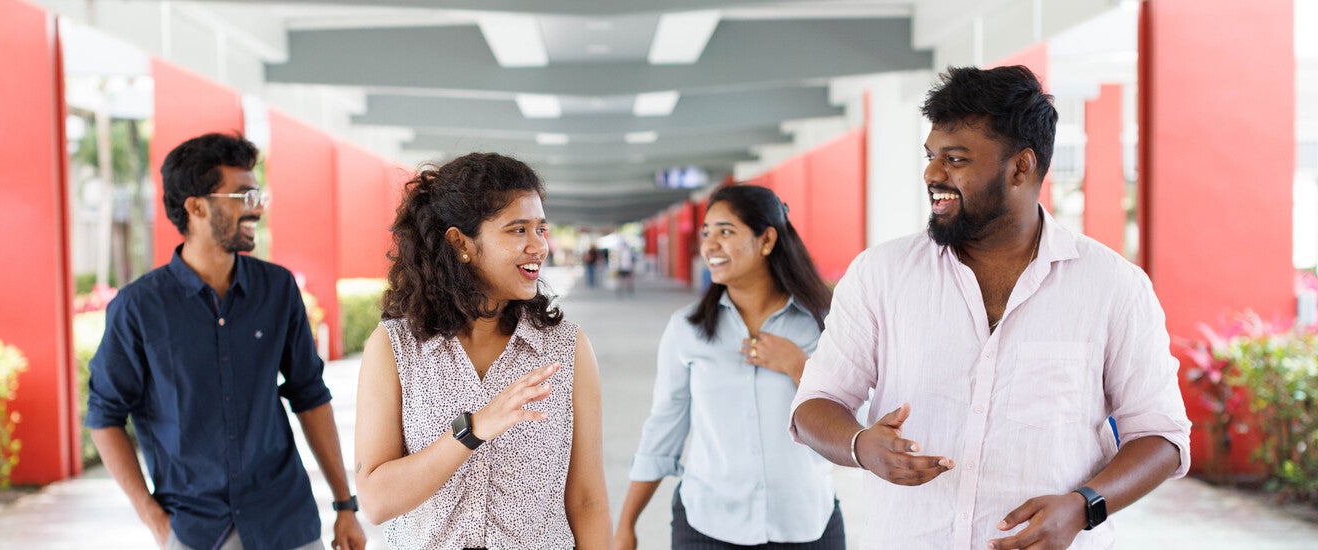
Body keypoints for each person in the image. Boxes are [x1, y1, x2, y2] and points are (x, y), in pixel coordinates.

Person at [789, 66, 1191, 549]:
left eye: (955, 159)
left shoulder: (1114, 287)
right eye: (931, 156)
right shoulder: (881, 274)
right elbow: (814, 405)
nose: (933, 174)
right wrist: (860, 446)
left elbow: (1162, 436)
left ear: (1020, 167)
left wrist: (1085, 505)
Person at [85, 133, 367, 550]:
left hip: (285, 520)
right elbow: (104, 416)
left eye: (257, 195)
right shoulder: (139, 308)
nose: (255, 208)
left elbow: (310, 395)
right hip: (197, 530)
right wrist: (156, 522)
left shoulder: (277, 290)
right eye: (242, 195)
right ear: (196, 207)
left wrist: (346, 505)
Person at [352, 152, 612, 548]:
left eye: (541, 229)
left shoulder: (566, 348)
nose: (538, 246)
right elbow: (375, 501)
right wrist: (472, 431)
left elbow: (588, 500)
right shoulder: (395, 348)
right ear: (461, 243)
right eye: (517, 230)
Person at [615, 185, 843, 550]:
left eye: (725, 231)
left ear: (766, 240)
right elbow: (664, 427)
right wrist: (627, 523)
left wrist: (798, 366)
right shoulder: (687, 329)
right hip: (708, 525)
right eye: (706, 233)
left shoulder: (825, 323)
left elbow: (852, 419)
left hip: (805, 524)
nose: (709, 245)